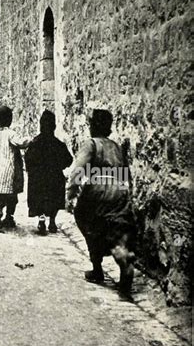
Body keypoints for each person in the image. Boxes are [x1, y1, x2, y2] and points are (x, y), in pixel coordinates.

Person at [67, 109, 136, 294]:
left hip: (98, 190)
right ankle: (124, 265)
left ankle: (97, 268)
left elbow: (78, 171)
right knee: (116, 227)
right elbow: (125, 172)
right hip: (119, 189)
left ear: (93, 126)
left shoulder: (90, 145)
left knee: (87, 222)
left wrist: (70, 193)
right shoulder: (116, 146)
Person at [0, 105, 31, 231]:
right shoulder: (11, 134)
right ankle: (9, 216)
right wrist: (32, 140)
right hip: (8, 171)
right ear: (10, 119)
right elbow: (22, 143)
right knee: (11, 196)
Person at [25, 110, 73, 234]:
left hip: (38, 179)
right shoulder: (58, 144)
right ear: (54, 127)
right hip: (54, 177)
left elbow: (28, 159)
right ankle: (52, 220)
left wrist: (33, 171)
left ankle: (41, 219)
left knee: (38, 195)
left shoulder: (35, 143)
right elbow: (68, 160)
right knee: (54, 196)